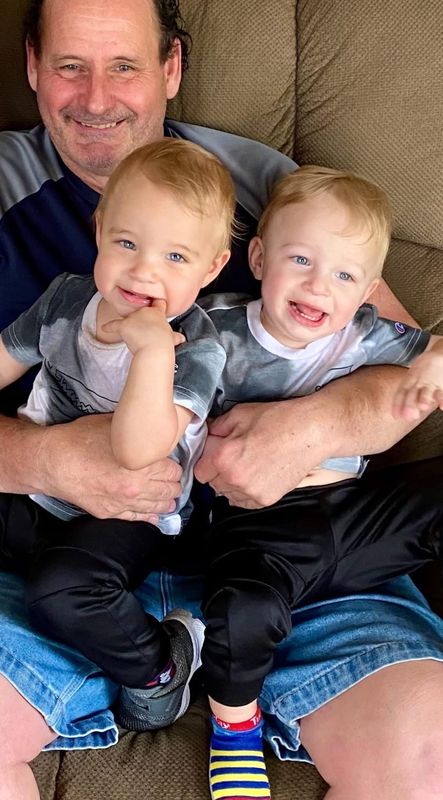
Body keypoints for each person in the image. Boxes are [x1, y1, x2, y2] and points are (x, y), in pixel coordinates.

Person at [0, 1, 443, 799]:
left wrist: (311, 426)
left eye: (125, 66)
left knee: (427, 761)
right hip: (50, 545)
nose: (96, 98)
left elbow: (404, 377)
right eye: (69, 66)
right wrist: (40, 457)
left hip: (288, 546)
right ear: (32, 67)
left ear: (172, 67)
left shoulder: (265, 184)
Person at [197, 166, 443, 800]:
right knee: (241, 606)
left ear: (367, 290)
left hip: (354, 518)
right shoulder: (211, 332)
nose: (318, 287)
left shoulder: (370, 336)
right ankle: (235, 725)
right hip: (257, 528)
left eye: (344, 275)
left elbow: (429, 358)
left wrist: (439, 354)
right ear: (257, 257)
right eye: (300, 259)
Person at [0, 136, 235, 731]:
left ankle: (162, 663)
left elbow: (135, 452)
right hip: (36, 490)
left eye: (176, 259)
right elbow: (5, 355)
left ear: (212, 268)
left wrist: (153, 353)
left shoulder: (196, 346)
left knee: (62, 589)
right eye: (127, 243)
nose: (143, 271)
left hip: (129, 514)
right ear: (99, 228)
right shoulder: (65, 299)